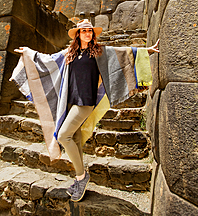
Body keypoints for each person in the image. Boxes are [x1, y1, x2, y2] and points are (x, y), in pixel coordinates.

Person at [11, 19, 159, 202]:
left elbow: (123, 53)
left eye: (90, 31)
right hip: (70, 100)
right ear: (78, 34)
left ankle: (82, 177)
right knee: (75, 138)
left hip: (86, 101)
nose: (88, 33)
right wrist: (29, 53)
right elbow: (48, 60)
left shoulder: (99, 52)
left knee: (63, 136)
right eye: (84, 31)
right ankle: (79, 177)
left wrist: (146, 51)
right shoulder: (70, 53)